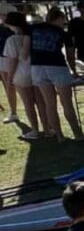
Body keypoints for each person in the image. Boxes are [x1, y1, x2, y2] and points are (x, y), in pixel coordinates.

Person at [30, 7, 84, 142]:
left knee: (49, 104)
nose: (64, 22)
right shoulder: (63, 33)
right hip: (57, 66)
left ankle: (59, 136)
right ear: (59, 18)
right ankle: (78, 134)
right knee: (67, 103)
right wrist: (74, 71)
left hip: (36, 67)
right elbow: (70, 56)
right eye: (64, 19)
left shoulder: (34, 28)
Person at [3, 12, 49, 140]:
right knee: (41, 102)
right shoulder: (33, 36)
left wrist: (9, 79)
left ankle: (35, 130)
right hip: (37, 72)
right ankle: (47, 129)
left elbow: (12, 62)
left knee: (29, 104)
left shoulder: (12, 40)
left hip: (21, 75)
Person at [0, 13, 18, 123]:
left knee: (23, 87)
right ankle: (13, 112)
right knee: (8, 86)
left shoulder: (18, 28)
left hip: (17, 59)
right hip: (3, 58)